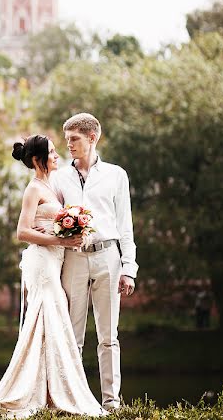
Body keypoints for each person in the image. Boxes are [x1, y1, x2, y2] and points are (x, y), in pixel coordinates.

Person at [0, 135, 105, 418]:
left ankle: (49, 391)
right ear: (37, 160)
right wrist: (61, 241)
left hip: (54, 261)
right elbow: (22, 232)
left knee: (52, 319)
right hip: (42, 263)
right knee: (47, 314)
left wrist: (70, 231)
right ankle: (35, 392)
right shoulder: (33, 188)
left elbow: (51, 225)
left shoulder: (52, 185)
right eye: (52, 153)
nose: (58, 156)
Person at [52, 113, 138, 412]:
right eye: (67, 140)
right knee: (72, 336)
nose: (69, 146)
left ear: (92, 138)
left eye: (74, 139)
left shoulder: (116, 175)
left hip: (108, 258)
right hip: (73, 260)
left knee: (108, 337)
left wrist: (129, 269)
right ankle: (71, 402)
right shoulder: (59, 176)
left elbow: (125, 226)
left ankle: (111, 404)